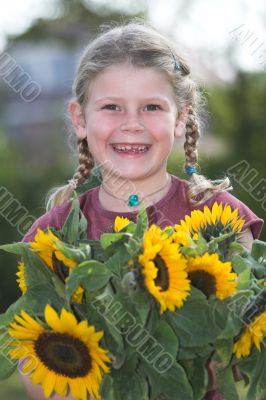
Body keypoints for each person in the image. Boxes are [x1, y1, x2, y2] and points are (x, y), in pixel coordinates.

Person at [20, 19, 263, 400]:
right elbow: (35, 370)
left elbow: (243, 345)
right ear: (80, 119)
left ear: (181, 118)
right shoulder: (51, 237)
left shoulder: (223, 220)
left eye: (151, 107)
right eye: (112, 107)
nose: (131, 124)